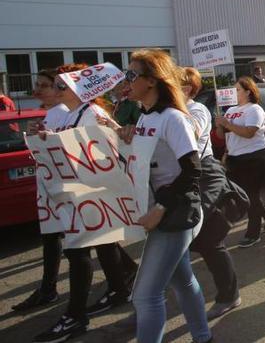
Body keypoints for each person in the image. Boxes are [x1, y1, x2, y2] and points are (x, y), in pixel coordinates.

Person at [32, 64, 139, 343]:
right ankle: (118, 289)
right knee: (101, 245)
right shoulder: (69, 115)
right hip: (77, 195)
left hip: (90, 195)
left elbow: (106, 154)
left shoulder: (92, 114)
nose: (54, 90)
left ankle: (76, 316)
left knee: (78, 252)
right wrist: (43, 139)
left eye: (59, 85)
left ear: (77, 89)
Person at [116, 50, 211, 343]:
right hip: (167, 215)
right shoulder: (145, 116)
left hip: (175, 215)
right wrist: (127, 138)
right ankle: (204, 337)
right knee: (182, 280)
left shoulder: (173, 118)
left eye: (132, 74)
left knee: (145, 297)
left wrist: (159, 207)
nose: (126, 79)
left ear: (152, 81)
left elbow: (192, 169)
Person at [180, 67, 242, 320]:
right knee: (179, 244)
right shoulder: (159, 112)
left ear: (186, 89)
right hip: (177, 181)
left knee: (209, 240)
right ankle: (150, 300)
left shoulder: (196, 110)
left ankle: (229, 295)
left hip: (203, 177)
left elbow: (191, 136)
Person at [12, 69, 65, 313]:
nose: (37, 90)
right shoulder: (51, 114)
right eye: (37, 84)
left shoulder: (62, 113)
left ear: (58, 89)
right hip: (50, 187)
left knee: (83, 242)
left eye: (44, 85)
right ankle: (48, 288)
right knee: (55, 238)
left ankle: (49, 290)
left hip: (61, 189)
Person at [215, 77, 265, 248]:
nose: (235, 93)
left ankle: (253, 233)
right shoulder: (230, 110)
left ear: (248, 91)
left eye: (238, 90)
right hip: (235, 158)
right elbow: (222, 136)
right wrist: (220, 125)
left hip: (254, 158)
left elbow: (249, 132)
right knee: (242, 196)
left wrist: (228, 123)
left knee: (251, 196)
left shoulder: (254, 110)